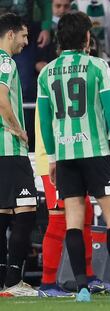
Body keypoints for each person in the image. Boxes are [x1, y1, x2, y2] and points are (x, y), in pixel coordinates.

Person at [36, 11, 110, 303]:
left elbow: (43, 119)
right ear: (87, 38)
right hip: (96, 152)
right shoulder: (97, 66)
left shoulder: (45, 72)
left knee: (74, 222)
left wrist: (52, 158)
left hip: (65, 155)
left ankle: (80, 290)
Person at [0, 13, 37, 297]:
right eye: (23, 35)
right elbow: (1, 98)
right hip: (9, 150)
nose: (26, 42)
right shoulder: (5, 61)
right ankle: (13, 281)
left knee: (2, 214)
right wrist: (18, 129)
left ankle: (4, 281)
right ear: (10, 34)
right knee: (26, 211)